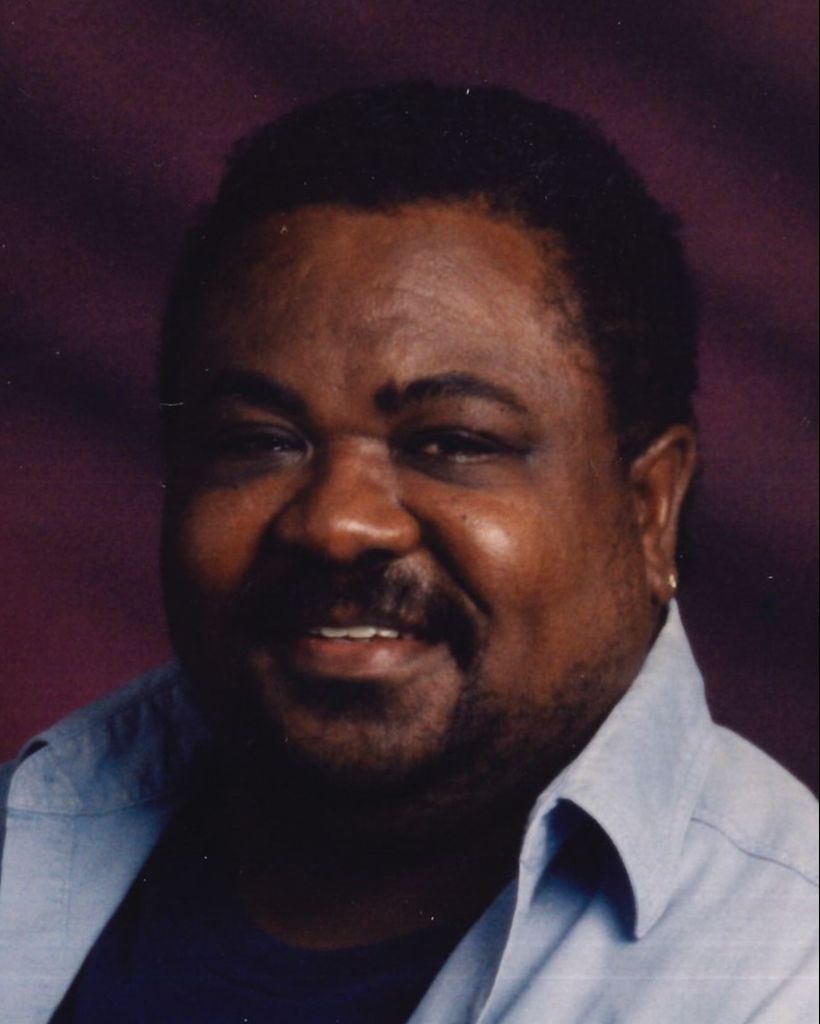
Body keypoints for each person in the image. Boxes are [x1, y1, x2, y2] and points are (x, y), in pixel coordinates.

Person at [0, 82, 816, 1024]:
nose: (337, 524)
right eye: (259, 440)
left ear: (650, 508)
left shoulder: (781, 966)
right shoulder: (35, 834)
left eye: (452, 442)